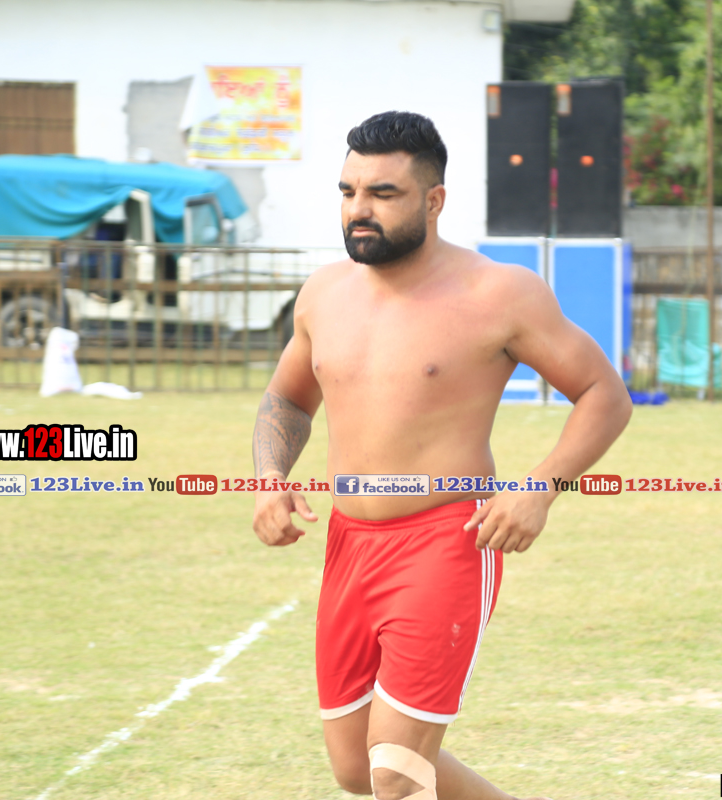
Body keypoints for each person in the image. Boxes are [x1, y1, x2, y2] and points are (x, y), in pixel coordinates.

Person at [250, 111, 632, 800]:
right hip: (348, 543)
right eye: (348, 192)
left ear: (434, 200)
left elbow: (604, 394)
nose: (358, 210)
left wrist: (539, 487)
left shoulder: (499, 293)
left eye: (382, 194)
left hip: (445, 540)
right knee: (356, 769)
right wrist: (270, 477)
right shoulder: (323, 294)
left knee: (396, 773)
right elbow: (287, 400)